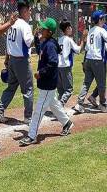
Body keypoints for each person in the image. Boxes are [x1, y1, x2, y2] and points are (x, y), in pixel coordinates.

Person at [19, 18, 74, 146]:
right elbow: (40, 52)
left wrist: (41, 72)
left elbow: (53, 62)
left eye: (43, 28)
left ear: (49, 32)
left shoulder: (50, 45)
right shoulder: (46, 42)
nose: (41, 29)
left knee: (38, 110)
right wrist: (37, 39)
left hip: (48, 82)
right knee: (54, 104)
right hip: (46, 82)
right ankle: (67, 123)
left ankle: (32, 136)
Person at [74, 10, 107, 114]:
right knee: (101, 84)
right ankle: (103, 104)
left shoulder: (91, 30)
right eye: (103, 18)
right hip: (97, 60)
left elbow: (87, 48)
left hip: (88, 59)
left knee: (86, 83)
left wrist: (84, 62)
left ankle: (79, 103)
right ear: (100, 19)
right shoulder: (101, 30)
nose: (104, 20)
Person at [0, 1, 34, 124]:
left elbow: (8, 43)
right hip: (22, 61)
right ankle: (28, 117)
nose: (30, 13)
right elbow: (29, 43)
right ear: (25, 11)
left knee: (11, 87)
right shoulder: (25, 25)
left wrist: (6, 59)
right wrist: (37, 37)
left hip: (11, 60)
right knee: (28, 90)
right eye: (29, 10)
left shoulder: (12, 23)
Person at [57, 20, 87, 106]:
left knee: (61, 90)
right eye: (70, 28)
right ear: (66, 29)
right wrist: (82, 40)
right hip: (65, 66)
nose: (71, 29)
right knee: (69, 90)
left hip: (57, 66)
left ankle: (59, 108)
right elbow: (78, 50)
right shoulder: (68, 39)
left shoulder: (59, 39)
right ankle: (60, 104)